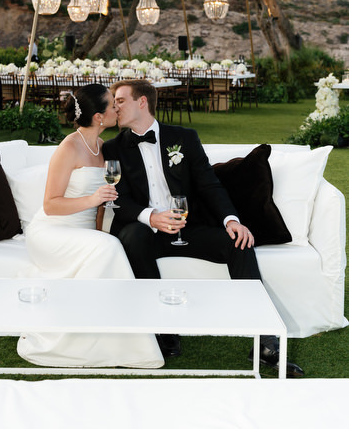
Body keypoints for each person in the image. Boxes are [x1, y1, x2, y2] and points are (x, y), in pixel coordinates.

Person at [102, 79, 304, 377]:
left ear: (142, 102)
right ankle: (162, 332)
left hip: (189, 229)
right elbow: (118, 199)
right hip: (147, 232)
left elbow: (209, 184)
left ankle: (266, 342)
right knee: (132, 235)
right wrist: (151, 217)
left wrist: (231, 220)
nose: (115, 106)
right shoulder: (112, 148)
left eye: (120, 100)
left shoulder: (183, 137)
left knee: (238, 242)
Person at [17, 83, 163, 368]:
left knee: (107, 245)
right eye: (112, 105)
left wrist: (98, 229)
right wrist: (93, 198)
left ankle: (112, 335)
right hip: (53, 230)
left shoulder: (104, 148)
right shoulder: (69, 147)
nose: (117, 108)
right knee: (110, 247)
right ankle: (75, 341)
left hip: (84, 233)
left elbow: (101, 207)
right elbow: (50, 204)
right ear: (99, 116)